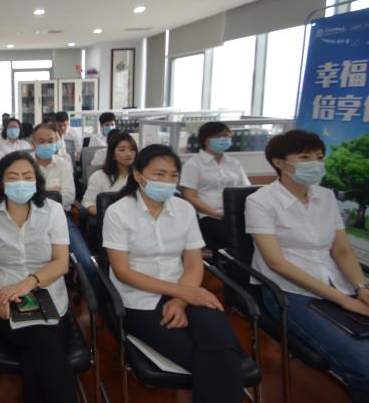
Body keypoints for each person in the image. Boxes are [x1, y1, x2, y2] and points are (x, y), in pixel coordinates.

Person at [103, 144, 245, 403]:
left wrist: (180, 300)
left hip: (185, 290)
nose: (167, 182)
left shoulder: (184, 209)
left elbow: (193, 263)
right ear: (138, 175)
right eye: (159, 174)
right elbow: (122, 272)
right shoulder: (118, 212)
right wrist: (184, 293)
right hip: (139, 298)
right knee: (213, 359)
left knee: (222, 344)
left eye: (173, 176)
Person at [246, 130, 369, 402]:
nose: (315, 163)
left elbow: (342, 250)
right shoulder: (260, 201)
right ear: (279, 163)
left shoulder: (326, 196)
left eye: (319, 157)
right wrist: (343, 300)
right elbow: (276, 263)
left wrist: (361, 288)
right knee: (365, 365)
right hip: (291, 292)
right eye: (304, 157)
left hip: (337, 283)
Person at [0, 151, 76, 403]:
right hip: (3, 304)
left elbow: (61, 263)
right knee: (44, 344)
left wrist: (27, 284)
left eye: (27, 176)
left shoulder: (53, 210)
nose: (20, 182)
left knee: (36, 350)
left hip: (51, 299)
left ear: (37, 181)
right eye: (12, 177)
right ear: (0, 182)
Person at [30, 123, 95, 285]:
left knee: (86, 262)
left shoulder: (64, 163)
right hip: (29, 216)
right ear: (33, 143)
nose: (46, 145)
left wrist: (38, 192)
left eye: (50, 141)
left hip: (60, 217)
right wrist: (53, 192)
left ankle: (91, 296)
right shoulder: (24, 163)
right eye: (41, 141)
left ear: (57, 142)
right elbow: (23, 197)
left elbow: (68, 197)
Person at [180, 122, 250, 252]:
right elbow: (190, 196)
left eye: (226, 136)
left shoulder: (234, 163)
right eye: (218, 136)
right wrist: (217, 213)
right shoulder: (193, 164)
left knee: (255, 235)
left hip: (236, 215)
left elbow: (245, 190)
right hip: (209, 217)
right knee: (232, 239)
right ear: (205, 140)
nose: (223, 139)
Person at [82, 132, 137, 216]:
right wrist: (107, 216)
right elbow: (88, 203)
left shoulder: (141, 175)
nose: (129, 154)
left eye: (132, 149)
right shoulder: (99, 176)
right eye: (122, 150)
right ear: (113, 155)